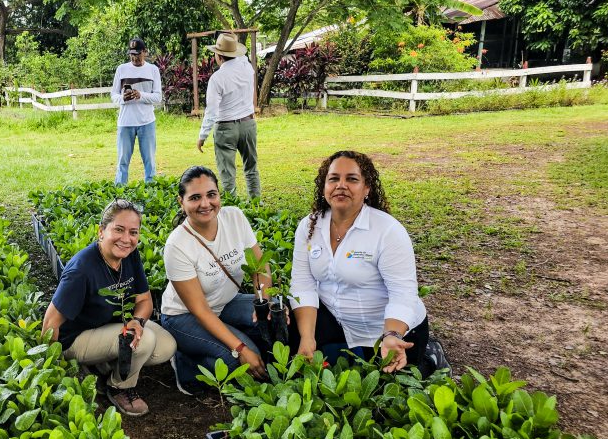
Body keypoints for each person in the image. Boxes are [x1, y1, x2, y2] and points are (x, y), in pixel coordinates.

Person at [289, 150, 429, 373]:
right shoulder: (309, 226)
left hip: (386, 332)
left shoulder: (388, 230)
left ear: (366, 188)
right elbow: (302, 284)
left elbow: (403, 293)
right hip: (337, 321)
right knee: (292, 344)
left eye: (352, 179)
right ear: (324, 186)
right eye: (333, 178)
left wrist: (392, 335)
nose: (341, 185)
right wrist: (307, 338)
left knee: (385, 388)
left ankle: (430, 355)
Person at [42, 199, 177, 416]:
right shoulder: (82, 269)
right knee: (144, 342)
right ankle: (119, 387)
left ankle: (101, 366)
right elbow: (50, 322)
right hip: (75, 339)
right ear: (101, 231)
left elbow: (144, 300)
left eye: (133, 232)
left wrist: (138, 321)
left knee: (165, 346)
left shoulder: (129, 255)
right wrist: (53, 368)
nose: (126, 239)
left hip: (109, 326)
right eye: (119, 229)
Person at [159, 166, 270, 395]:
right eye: (195, 197)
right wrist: (240, 348)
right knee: (237, 362)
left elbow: (259, 267)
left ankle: (218, 344)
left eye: (211, 194)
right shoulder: (177, 245)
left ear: (219, 195)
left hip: (226, 302)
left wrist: (263, 302)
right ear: (182, 202)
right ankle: (185, 364)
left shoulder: (235, 217)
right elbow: (201, 311)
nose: (205, 204)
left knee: (278, 320)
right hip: (184, 316)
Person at [196, 32, 260, 199]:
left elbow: (211, 111)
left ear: (219, 56)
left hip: (225, 127)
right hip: (248, 124)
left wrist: (202, 135)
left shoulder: (217, 78)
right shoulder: (247, 68)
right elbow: (243, 58)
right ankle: (256, 205)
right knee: (251, 168)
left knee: (227, 173)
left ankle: (232, 206)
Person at [110, 37, 163, 185]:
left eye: (138, 54)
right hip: (125, 121)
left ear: (145, 52)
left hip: (147, 121)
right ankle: (119, 191)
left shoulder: (153, 70)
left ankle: (150, 190)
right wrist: (123, 98)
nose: (135, 57)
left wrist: (141, 95)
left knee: (150, 161)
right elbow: (113, 95)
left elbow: (158, 97)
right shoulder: (122, 69)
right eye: (132, 54)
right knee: (122, 160)